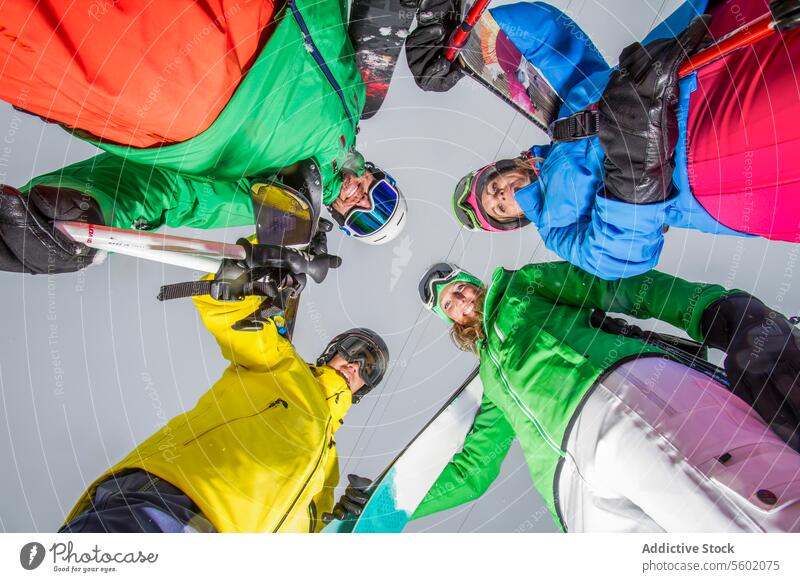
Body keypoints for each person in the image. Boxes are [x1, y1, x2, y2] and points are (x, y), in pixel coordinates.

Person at [0, 0, 407, 277]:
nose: (364, 199)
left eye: (366, 217)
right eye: (383, 197)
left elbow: (179, 196)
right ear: (380, 175)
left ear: (342, 221)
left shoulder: (287, 201)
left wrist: (96, 211)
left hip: (185, 85)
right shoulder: (357, 99)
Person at [408, 0, 800, 280]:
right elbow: (619, 257)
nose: (503, 195)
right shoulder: (555, 228)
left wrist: (462, 32)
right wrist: (636, 169)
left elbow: (550, 38)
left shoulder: (561, 120)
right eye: (500, 207)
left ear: (504, 169)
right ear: (515, 219)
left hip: (703, 53)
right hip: (711, 160)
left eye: (494, 187)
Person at [409, 261, 800, 532]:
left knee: (745, 518)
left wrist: (708, 308)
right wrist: (391, 507)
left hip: (620, 392)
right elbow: (473, 471)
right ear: (451, 321)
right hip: (571, 492)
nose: (460, 300)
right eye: (449, 304)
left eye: (459, 288)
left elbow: (617, 287)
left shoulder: (522, 286)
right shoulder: (492, 379)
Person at [59, 283, 389, 533]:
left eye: (368, 369)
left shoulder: (327, 463)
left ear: (364, 389)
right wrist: (255, 279)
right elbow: (233, 315)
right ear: (332, 351)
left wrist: (339, 524)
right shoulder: (282, 365)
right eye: (354, 351)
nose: (356, 365)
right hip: (175, 503)